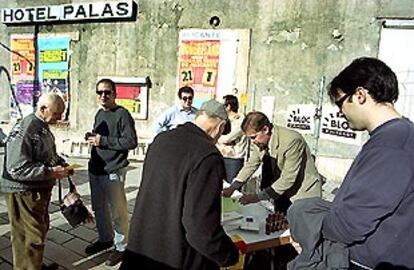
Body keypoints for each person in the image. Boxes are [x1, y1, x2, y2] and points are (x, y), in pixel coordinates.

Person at [290, 57, 414, 270]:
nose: (340, 111)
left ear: (360, 95)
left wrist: (313, 231)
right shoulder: (398, 136)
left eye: (340, 102)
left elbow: (350, 224)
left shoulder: (391, 145)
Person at [120, 100, 239, 270]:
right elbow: (200, 229)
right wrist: (228, 254)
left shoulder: (162, 139)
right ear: (220, 127)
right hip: (177, 256)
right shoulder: (208, 156)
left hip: (144, 246)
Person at [1, 93, 72, 270]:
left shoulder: (41, 126)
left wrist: (60, 163)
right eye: (57, 114)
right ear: (43, 109)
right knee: (29, 239)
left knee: (37, 234)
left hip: (35, 194)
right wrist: (50, 172)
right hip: (24, 193)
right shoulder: (27, 129)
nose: (60, 118)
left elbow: (45, 153)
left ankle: (35, 266)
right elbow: (16, 168)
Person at [223, 111, 322, 212]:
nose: (252, 142)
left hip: (302, 195)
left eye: (253, 137)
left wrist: (257, 197)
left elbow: (288, 178)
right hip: (280, 192)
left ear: (265, 129)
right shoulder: (260, 141)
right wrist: (232, 187)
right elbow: (251, 165)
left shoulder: (292, 141)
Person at [85, 78, 138, 266]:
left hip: (113, 170)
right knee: (99, 208)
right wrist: (93, 139)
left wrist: (103, 141)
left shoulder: (122, 114)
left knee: (118, 211)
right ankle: (105, 239)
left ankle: (122, 246)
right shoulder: (100, 114)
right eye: (99, 92)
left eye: (107, 92)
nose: (103, 96)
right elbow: (100, 138)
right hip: (95, 168)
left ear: (114, 94)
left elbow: (131, 142)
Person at [216, 95, 247, 182]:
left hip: (233, 159)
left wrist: (216, 138)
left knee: (231, 187)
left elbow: (227, 138)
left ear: (228, 106)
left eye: (222, 105)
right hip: (221, 155)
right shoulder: (223, 119)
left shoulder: (240, 120)